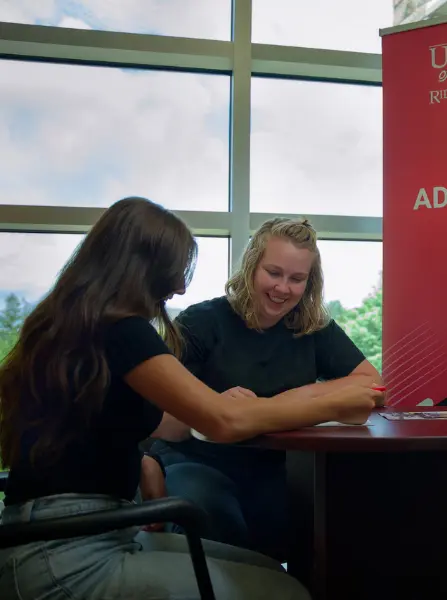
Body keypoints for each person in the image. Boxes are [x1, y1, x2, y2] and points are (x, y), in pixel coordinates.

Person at [0, 198, 383, 600]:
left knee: (269, 569)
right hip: (67, 551)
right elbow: (223, 423)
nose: (180, 286)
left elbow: (164, 423)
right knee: (287, 593)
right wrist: (333, 404)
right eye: (177, 270)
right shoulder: (124, 332)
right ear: (141, 267)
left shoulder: (71, 325)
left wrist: (150, 455)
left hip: (80, 530)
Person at [142, 216, 384, 561]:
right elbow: (157, 418)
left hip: (278, 466)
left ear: (309, 282)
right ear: (252, 266)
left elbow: (372, 385)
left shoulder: (313, 328)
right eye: (273, 273)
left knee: (338, 519)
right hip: (199, 462)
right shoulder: (201, 321)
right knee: (215, 516)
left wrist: (285, 402)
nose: (283, 288)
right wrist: (211, 408)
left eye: (296, 278)